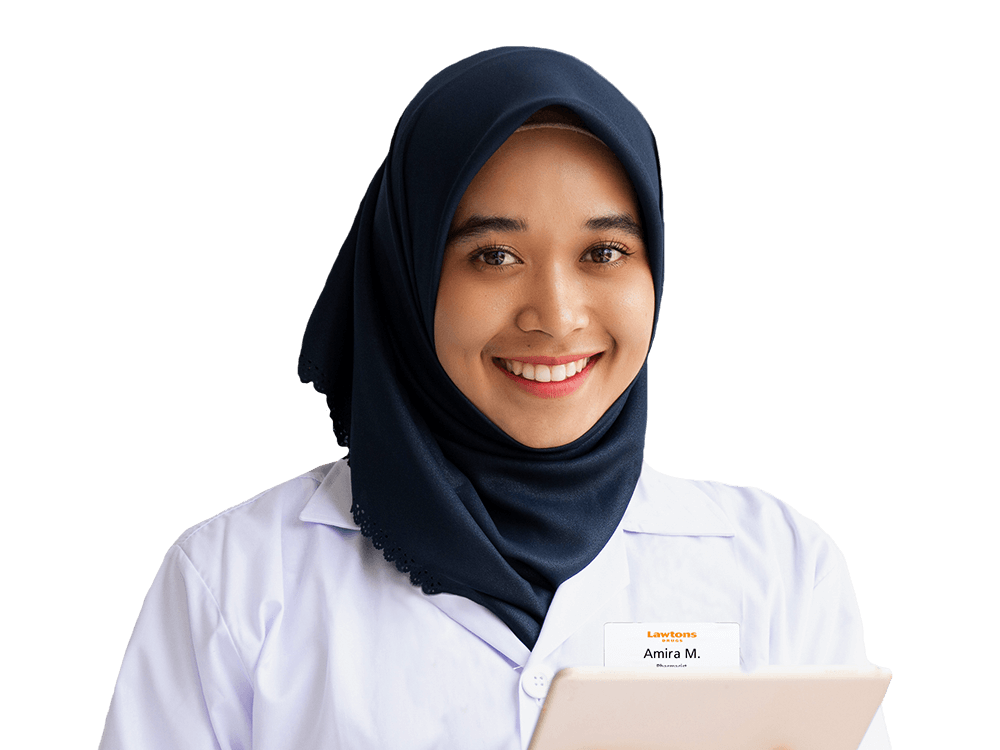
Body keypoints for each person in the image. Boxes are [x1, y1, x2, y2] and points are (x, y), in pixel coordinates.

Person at [99, 46, 891, 748]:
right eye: (495, 254)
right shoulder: (235, 582)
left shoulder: (782, 568)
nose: (555, 314)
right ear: (408, 276)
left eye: (604, 251)